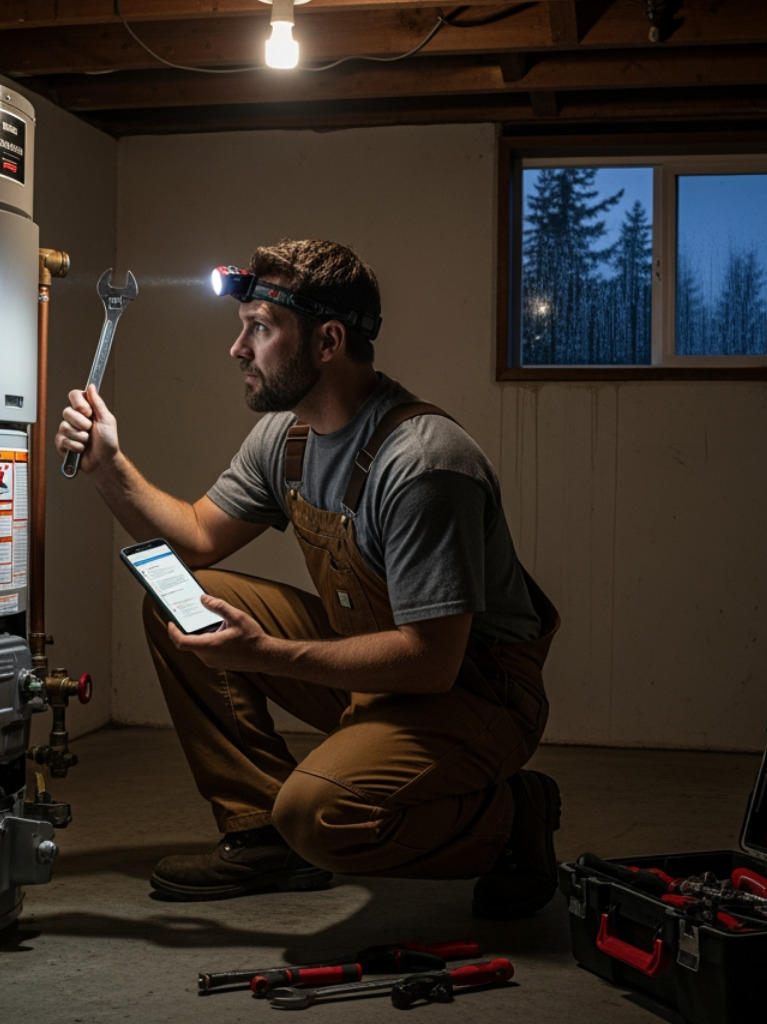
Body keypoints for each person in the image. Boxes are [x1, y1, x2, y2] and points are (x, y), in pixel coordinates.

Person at [56, 239, 561, 919]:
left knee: (321, 816)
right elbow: (198, 538)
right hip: (377, 660)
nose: (238, 349)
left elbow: (432, 661)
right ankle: (259, 836)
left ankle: (512, 819)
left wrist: (264, 654)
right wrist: (107, 468)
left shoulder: (423, 465)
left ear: (327, 341)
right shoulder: (286, 438)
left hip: (476, 692)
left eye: (260, 329)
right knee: (182, 607)